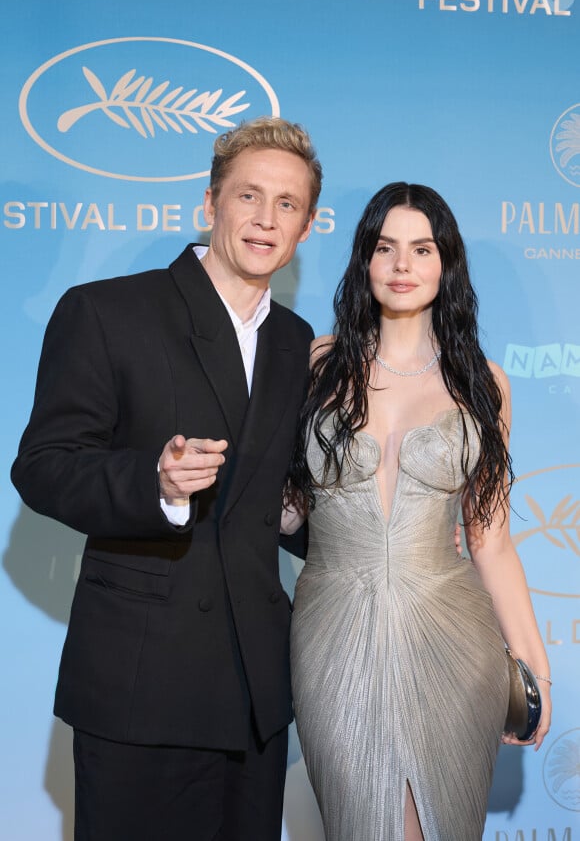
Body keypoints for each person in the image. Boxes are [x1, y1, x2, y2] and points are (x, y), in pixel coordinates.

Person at [11, 117, 322, 841]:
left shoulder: (296, 343)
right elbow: (44, 466)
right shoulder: (108, 311)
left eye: (286, 205)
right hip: (139, 686)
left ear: (306, 228)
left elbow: (289, 499)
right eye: (249, 197)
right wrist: (157, 484)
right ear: (209, 205)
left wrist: (294, 515)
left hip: (255, 695)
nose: (265, 219)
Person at [286, 182, 552, 840]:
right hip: (333, 634)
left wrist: (533, 667)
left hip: (453, 638)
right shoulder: (315, 366)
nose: (402, 266)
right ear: (364, 262)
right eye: (385, 249)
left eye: (422, 249)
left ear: (446, 263)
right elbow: (283, 509)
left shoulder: (484, 384)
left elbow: (490, 538)